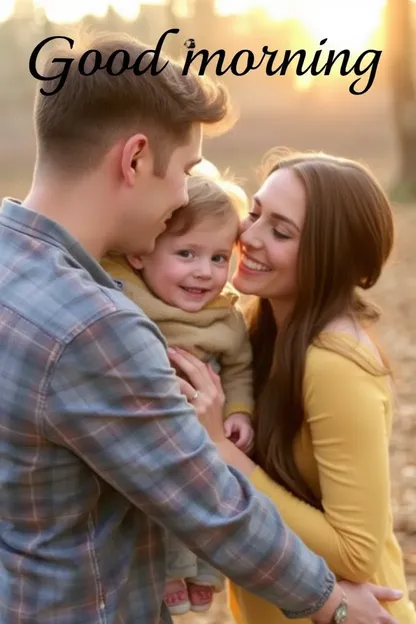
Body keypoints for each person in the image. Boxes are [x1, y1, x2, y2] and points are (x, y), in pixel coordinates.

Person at [0, 30, 402, 623]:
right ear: (134, 159)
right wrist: (334, 604)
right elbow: (209, 505)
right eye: (186, 169)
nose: (189, 194)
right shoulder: (96, 326)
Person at [168, 150, 416, 623]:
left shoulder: (335, 363)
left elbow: (356, 553)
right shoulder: (250, 332)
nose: (250, 237)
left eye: (281, 231)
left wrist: (222, 448)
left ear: (332, 256)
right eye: (255, 214)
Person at [101, 174, 255, 615]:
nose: (204, 271)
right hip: (152, 431)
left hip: (207, 425)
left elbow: (241, 368)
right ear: (140, 254)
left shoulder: (224, 319)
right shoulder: (128, 298)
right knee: (158, 500)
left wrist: (240, 412)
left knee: (213, 492)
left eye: (219, 257)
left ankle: (204, 571)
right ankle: (170, 570)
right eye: (186, 253)